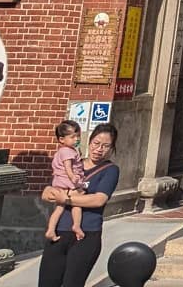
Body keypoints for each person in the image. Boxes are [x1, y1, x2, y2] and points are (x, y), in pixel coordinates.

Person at [38, 122, 119, 287]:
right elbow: (47, 192)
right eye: (96, 143)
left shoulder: (110, 170)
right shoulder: (72, 163)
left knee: (72, 283)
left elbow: (98, 199)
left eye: (106, 146)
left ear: (112, 148)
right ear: (89, 142)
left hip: (87, 234)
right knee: (47, 282)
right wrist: (54, 192)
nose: (99, 149)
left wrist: (66, 199)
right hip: (59, 231)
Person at [44, 121, 87, 241]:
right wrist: (73, 177)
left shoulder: (69, 150)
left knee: (59, 208)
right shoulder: (67, 151)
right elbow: (68, 167)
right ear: (62, 139)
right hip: (67, 183)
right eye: (73, 137)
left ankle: (51, 230)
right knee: (77, 203)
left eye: (78, 136)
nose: (76, 139)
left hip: (60, 183)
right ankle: (76, 226)